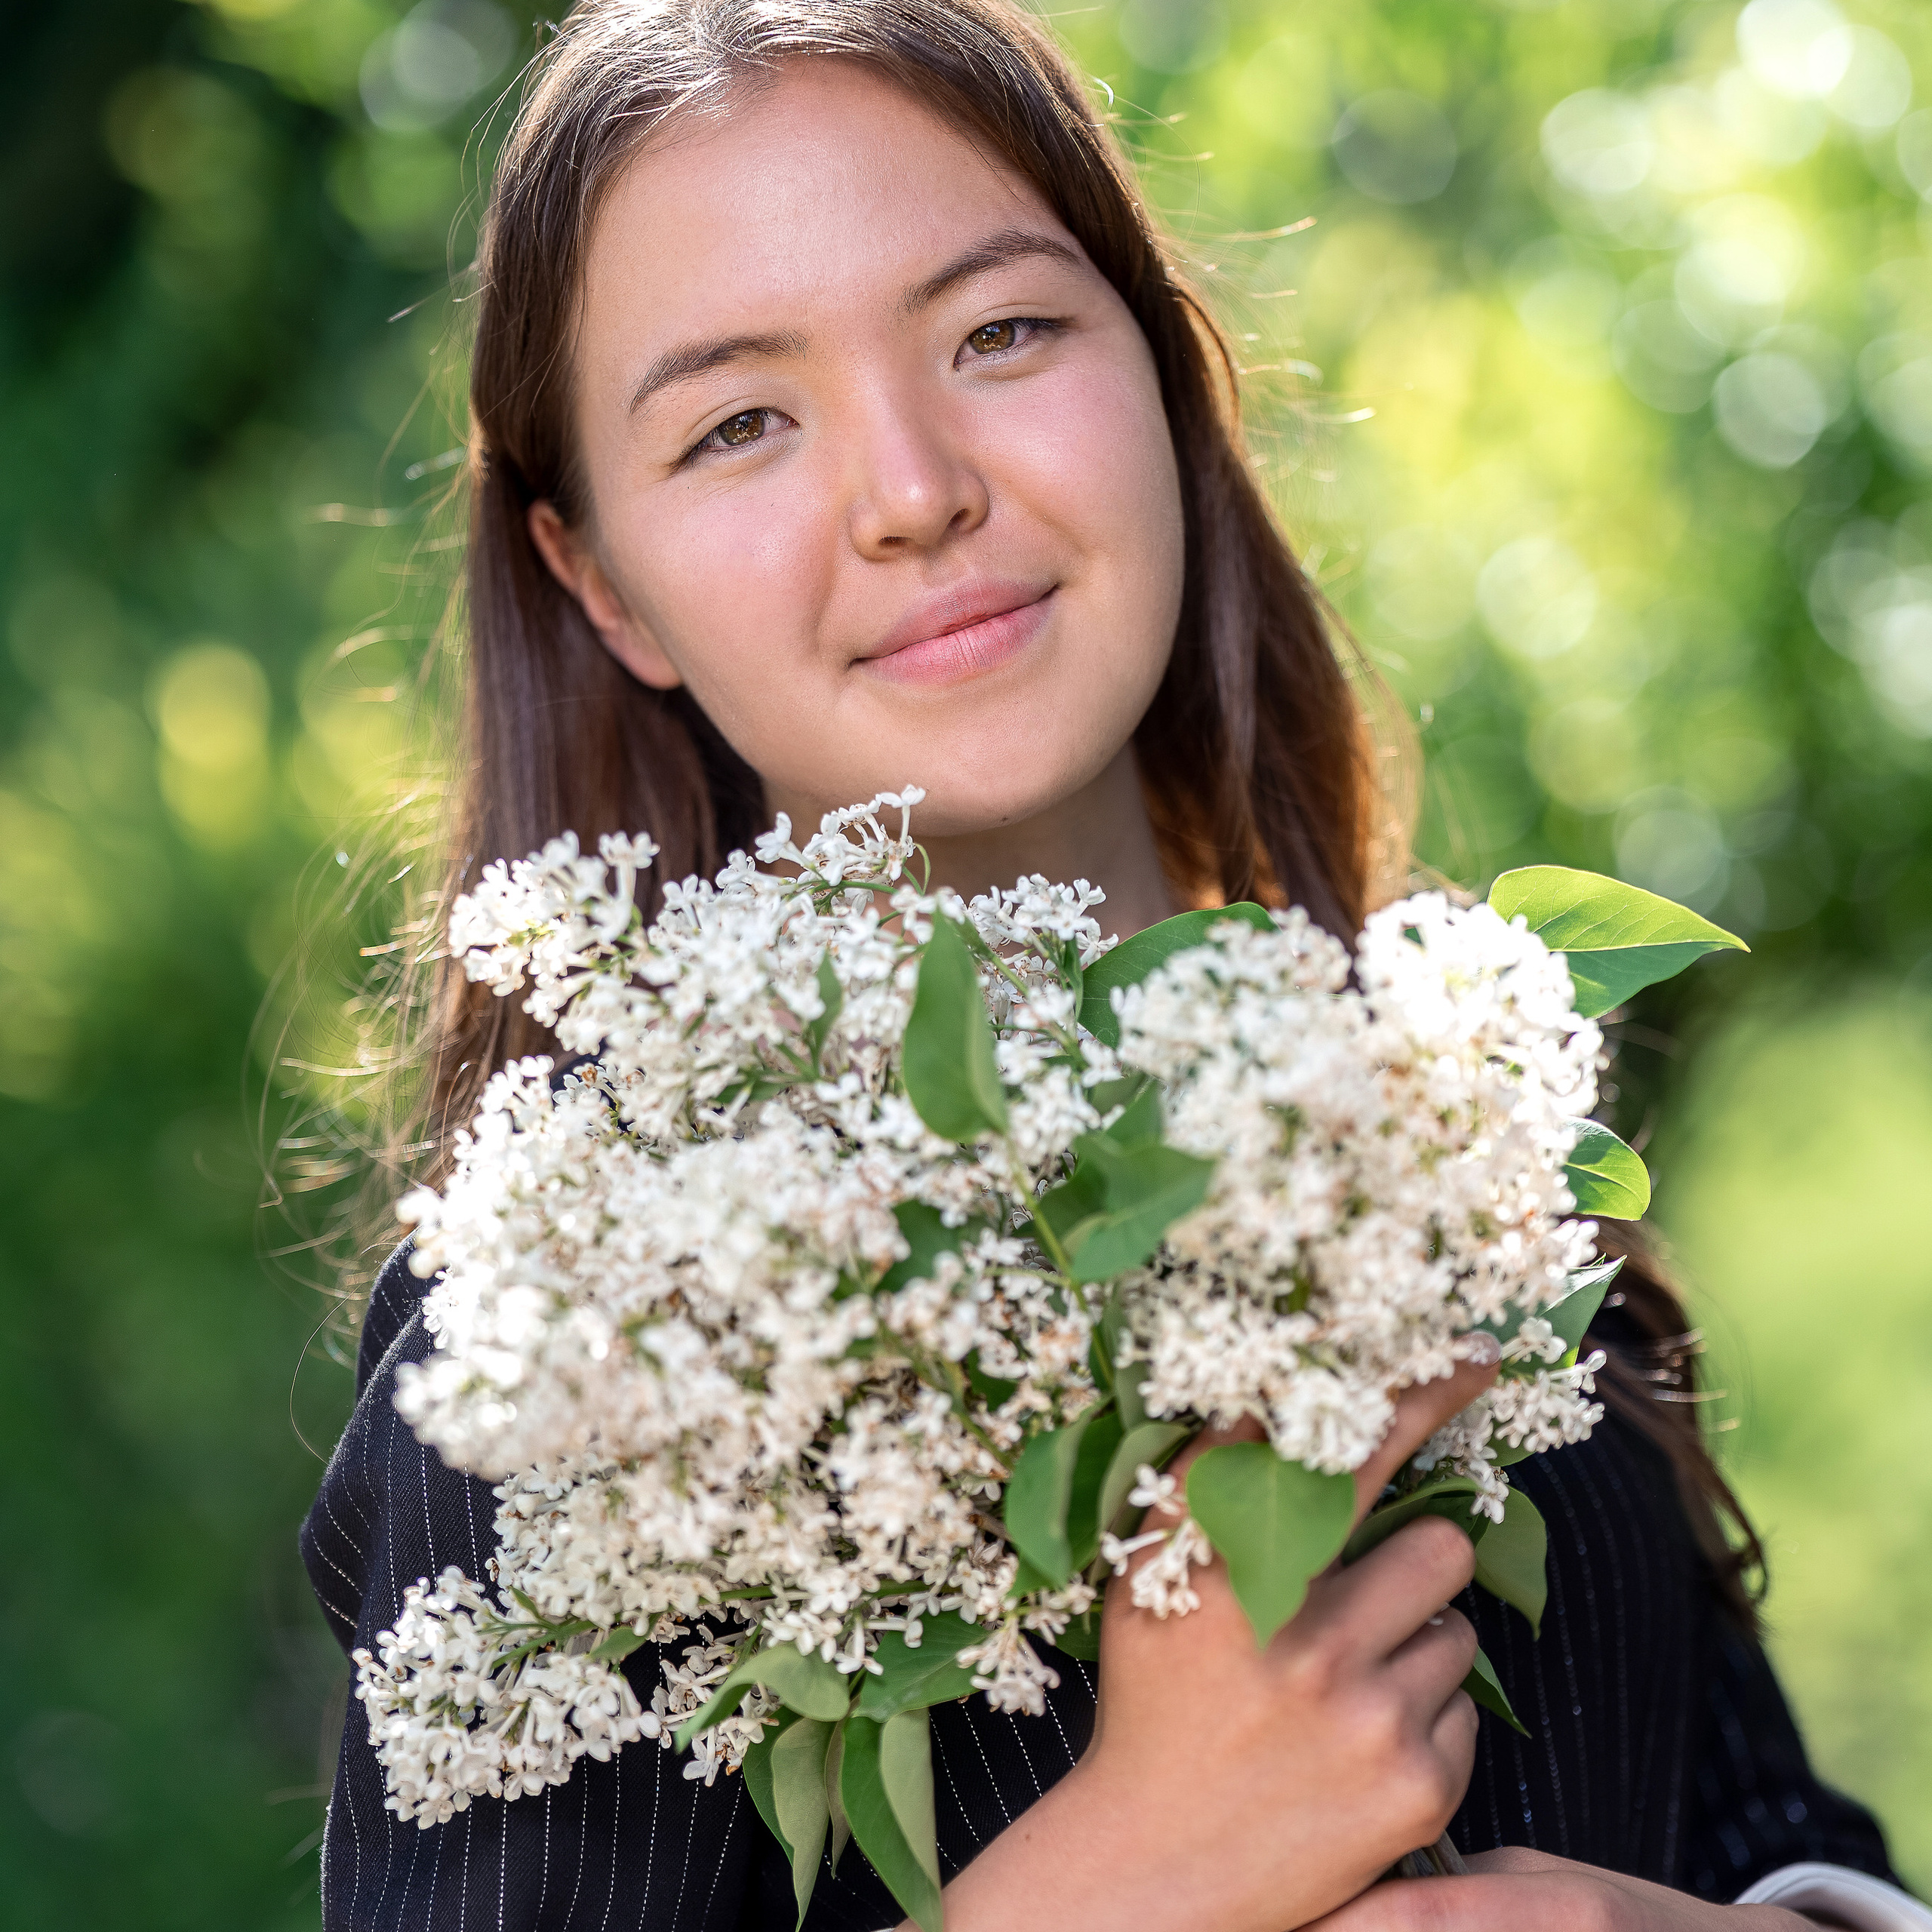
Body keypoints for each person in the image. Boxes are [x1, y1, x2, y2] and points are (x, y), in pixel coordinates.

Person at [301, 3, 1918, 1927]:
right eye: (739, 421)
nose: (911, 487)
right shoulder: (591, 1318)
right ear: (601, 582)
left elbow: (1762, 1826)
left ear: (1154, 368)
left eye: (997, 333)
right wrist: (1122, 1879)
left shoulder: (1434, 1092)